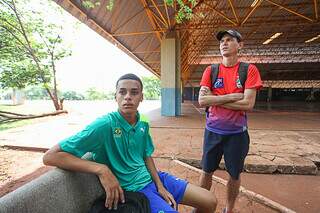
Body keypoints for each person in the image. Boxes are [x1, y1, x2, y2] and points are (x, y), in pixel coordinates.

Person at [43, 73, 217, 213]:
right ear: (115, 96)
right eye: (122, 92)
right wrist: (101, 169)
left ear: (141, 97)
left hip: (155, 180)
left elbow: (145, 155)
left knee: (210, 201)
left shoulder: (143, 122)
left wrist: (159, 185)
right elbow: (51, 156)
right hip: (135, 190)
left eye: (134, 93)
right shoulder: (104, 125)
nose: (128, 97)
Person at [198, 30, 262, 213]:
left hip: (237, 135)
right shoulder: (211, 70)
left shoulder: (248, 70)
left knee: (234, 175)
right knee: (206, 171)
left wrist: (215, 98)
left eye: (229, 40)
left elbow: (248, 104)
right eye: (221, 41)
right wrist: (233, 96)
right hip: (212, 132)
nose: (224, 44)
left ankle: (229, 209)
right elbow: (203, 101)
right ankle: (201, 206)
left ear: (239, 45)